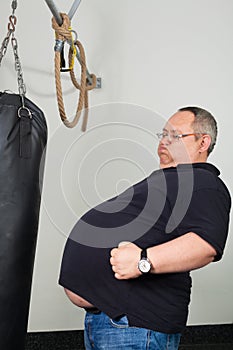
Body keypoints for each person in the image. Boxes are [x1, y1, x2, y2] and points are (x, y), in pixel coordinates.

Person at [59, 106, 231, 350]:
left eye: (175, 136)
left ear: (203, 142)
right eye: (162, 135)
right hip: (109, 320)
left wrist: (142, 261)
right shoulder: (169, 183)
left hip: (136, 325)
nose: (164, 141)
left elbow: (205, 245)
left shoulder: (203, 182)